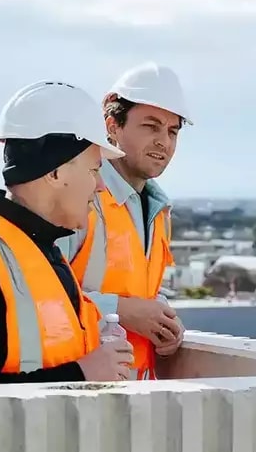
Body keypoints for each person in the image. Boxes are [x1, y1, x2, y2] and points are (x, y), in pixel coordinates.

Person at [0, 81, 135, 385]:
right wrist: (83, 373)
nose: (101, 186)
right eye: (94, 171)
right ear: (55, 172)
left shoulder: (43, 250)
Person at [60, 62, 191, 379]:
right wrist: (120, 311)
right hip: (75, 391)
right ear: (112, 125)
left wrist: (163, 320)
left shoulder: (157, 210)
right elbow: (37, 295)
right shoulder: (77, 197)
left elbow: (134, 289)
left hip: (131, 397)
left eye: (172, 131)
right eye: (151, 126)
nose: (164, 141)